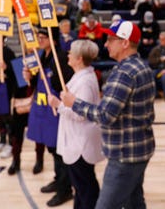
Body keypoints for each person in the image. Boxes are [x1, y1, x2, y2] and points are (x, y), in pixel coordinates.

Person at [59, 19, 156, 209]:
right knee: (134, 202)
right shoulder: (141, 66)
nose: (105, 44)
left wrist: (74, 103)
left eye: (111, 40)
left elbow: (105, 115)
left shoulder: (124, 73)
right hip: (139, 149)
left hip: (124, 154)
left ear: (125, 43)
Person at [49, 40, 105, 209]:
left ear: (79, 58)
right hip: (77, 138)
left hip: (81, 141)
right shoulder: (82, 75)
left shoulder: (86, 81)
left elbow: (81, 114)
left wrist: (58, 105)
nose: (68, 55)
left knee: (85, 186)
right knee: (81, 186)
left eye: (71, 53)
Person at [23, 28, 74, 207]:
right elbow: (33, 82)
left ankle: (65, 189)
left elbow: (66, 84)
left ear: (52, 38)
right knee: (52, 148)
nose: (40, 39)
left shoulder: (59, 57)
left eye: (43, 37)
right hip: (44, 109)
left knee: (59, 151)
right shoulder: (40, 56)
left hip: (56, 110)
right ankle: (58, 179)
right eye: (39, 37)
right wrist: (28, 76)